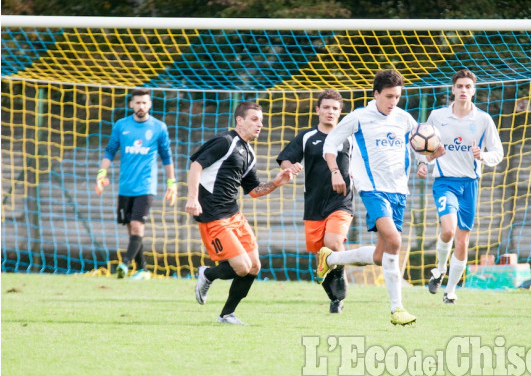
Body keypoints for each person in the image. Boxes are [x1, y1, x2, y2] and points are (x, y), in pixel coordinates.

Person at [317, 70, 444, 326]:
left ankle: (330, 259)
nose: (393, 102)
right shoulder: (359, 118)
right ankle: (397, 309)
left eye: (397, 96)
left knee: (380, 256)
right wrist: (335, 172)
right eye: (388, 96)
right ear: (376, 94)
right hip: (372, 189)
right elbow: (330, 144)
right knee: (395, 242)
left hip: (399, 191)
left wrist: (426, 161)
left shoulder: (404, 119)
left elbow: (416, 149)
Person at [186, 101, 294, 325]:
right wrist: (192, 198)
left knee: (254, 266)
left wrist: (275, 183)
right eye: (254, 120)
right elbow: (196, 165)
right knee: (242, 267)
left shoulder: (248, 153)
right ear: (240, 120)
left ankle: (226, 315)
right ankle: (207, 274)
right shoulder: (224, 142)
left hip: (234, 215)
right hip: (213, 217)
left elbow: (254, 191)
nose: (259, 125)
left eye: (261, 121)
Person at [425, 68, 504, 304]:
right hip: (444, 182)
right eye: (459, 86)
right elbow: (421, 144)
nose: (463, 90)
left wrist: (483, 157)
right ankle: (439, 270)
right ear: (453, 89)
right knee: (448, 230)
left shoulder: (482, 119)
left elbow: (498, 152)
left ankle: (450, 291)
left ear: (474, 91)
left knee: (463, 240)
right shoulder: (437, 116)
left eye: (468, 87)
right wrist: (424, 161)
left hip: (469, 184)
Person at [276, 89, 353, 314]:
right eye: (326, 107)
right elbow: (285, 159)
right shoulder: (307, 136)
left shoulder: (349, 138)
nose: (330, 112)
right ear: (317, 109)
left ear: (341, 112)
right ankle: (335, 298)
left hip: (341, 202)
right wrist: (290, 167)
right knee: (321, 258)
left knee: (334, 243)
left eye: (335, 108)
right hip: (314, 205)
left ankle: (340, 275)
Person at [95, 88, 177, 280]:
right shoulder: (121, 125)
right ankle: (143, 270)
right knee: (131, 229)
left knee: (137, 224)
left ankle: (124, 264)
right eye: (137, 103)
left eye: (144, 102)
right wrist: (101, 172)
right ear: (131, 104)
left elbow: (166, 157)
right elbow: (110, 150)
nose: (141, 106)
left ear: (149, 104)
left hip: (146, 187)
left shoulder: (159, 127)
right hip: (125, 186)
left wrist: (171, 182)